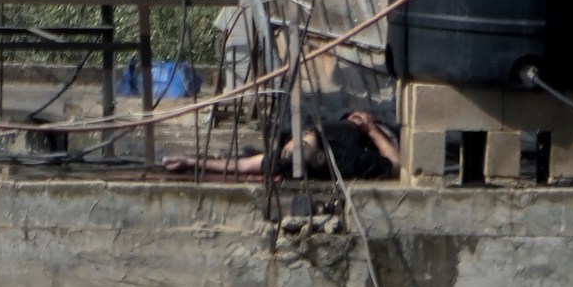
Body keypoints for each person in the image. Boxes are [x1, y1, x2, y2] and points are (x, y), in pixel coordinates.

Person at [164, 110, 400, 181]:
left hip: (350, 122)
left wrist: (191, 161)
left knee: (250, 154)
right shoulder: (349, 159)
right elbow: (396, 164)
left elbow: (245, 165)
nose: (290, 146)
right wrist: (371, 129)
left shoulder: (291, 155)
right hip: (385, 135)